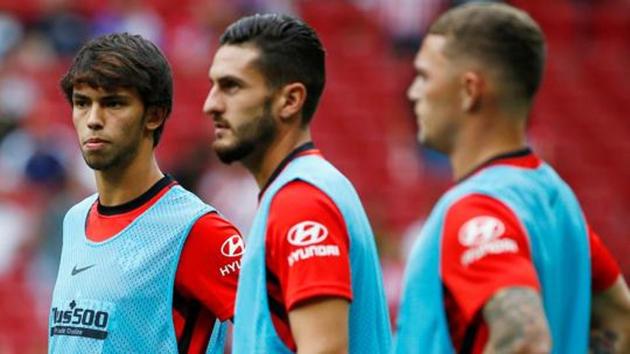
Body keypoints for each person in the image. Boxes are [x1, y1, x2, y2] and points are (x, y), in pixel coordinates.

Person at [394, 3, 630, 354]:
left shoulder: (476, 211)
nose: (413, 92)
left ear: (469, 90)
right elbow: (619, 317)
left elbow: (524, 340)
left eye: (425, 76)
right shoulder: (556, 196)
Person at [203, 13, 392, 353]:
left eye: (231, 86)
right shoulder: (304, 190)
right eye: (213, 86)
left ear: (290, 101)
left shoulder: (302, 202)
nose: (211, 104)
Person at [49, 33, 243, 354]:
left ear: (154, 115)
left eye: (113, 103)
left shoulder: (197, 230)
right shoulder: (74, 219)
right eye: (82, 103)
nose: (93, 120)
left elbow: (292, 335)